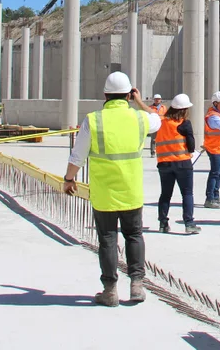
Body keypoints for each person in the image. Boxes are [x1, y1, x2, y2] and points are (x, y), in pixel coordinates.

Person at [63, 71, 161, 307]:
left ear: (105, 94)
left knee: (107, 240)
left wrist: (69, 179)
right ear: (128, 94)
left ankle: (110, 290)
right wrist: (139, 102)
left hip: (104, 192)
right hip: (131, 190)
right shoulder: (139, 119)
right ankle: (137, 284)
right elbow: (157, 119)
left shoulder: (94, 119)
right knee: (134, 236)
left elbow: (78, 155)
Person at [155, 94, 200, 235]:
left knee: (165, 194)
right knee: (187, 193)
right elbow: (192, 147)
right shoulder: (185, 124)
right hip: (182, 163)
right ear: (184, 110)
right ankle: (189, 223)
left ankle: (163, 224)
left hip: (164, 164)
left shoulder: (161, 122)